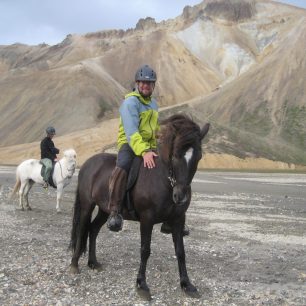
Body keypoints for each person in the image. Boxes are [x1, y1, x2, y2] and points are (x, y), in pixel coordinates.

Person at [107, 64, 189, 236]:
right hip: (130, 144)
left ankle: (172, 216)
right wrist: (144, 152)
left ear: (153, 85)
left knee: (172, 164)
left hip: (149, 145)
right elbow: (131, 132)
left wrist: (161, 142)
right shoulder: (130, 102)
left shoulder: (153, 104)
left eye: (149, 83)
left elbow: (153, 130)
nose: (146, 85)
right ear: (137, 83)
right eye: (143, 82)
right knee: (123, 166)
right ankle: (115, 211)